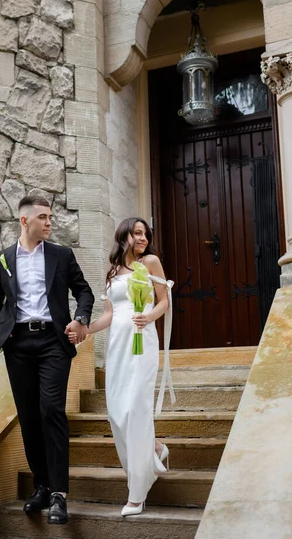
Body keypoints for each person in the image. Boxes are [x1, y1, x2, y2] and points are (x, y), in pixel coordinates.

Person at [0, 195, 94, 525]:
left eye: (50, 217)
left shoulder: (61, 255)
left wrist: (80, 318)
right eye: (44, 217)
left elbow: (84, 291)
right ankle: (42, 486)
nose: (49, 223)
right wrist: (2, 330)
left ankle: (59, 494)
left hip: (52, 341)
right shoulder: (2, 258)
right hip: (19, 344)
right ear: (25, 221)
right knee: (29, 416)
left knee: (51, 409)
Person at [74, 217, 175, 517]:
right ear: (124, 236)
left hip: (141, 339)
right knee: (117, 412)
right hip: (117, 344)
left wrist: (149, 317)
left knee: (135, 407)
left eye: (146, 234)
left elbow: (164, 301)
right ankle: (154, 448)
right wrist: (85, 330)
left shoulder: (151, 263)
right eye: (137, 233)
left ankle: (137, 491)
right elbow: (109, 314)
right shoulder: (113, 272)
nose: (143, 238)